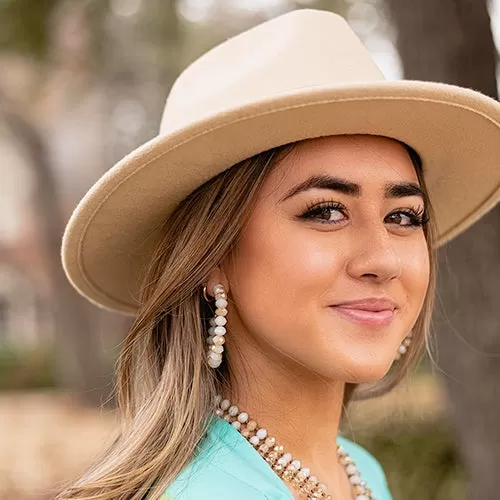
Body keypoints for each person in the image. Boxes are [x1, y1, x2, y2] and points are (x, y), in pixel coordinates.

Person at [58, 8, 500, 500]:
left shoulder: (359, 474)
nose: (383, 259)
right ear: (211, 258)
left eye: (402, 217)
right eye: (327, 212)